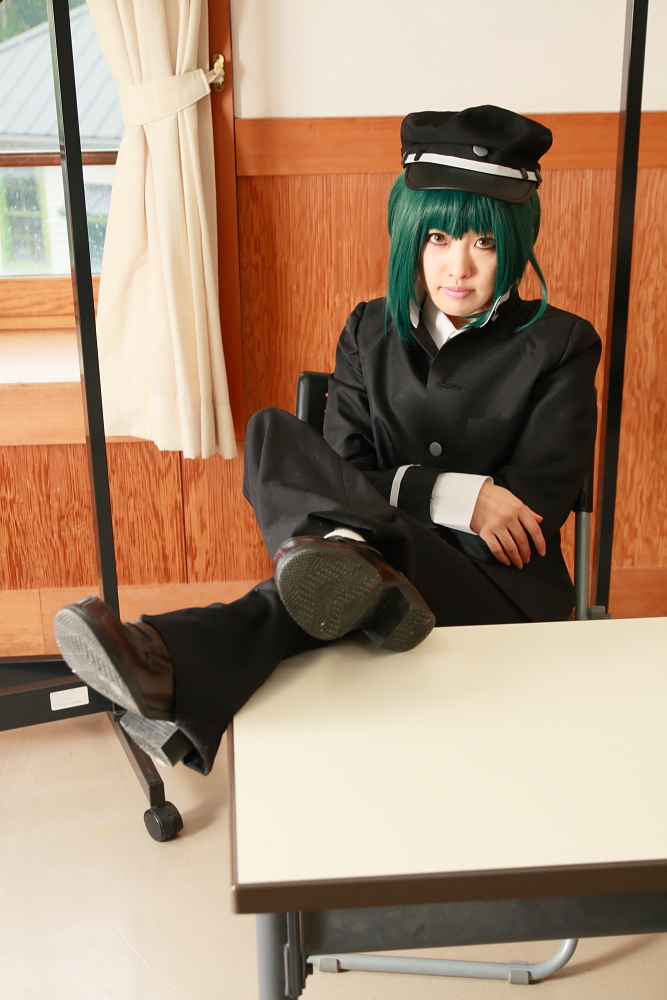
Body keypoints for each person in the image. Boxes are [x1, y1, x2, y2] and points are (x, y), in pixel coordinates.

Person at [54, 105, 601, 777]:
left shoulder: (561, 344)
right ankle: (352, 568)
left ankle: (171, 666)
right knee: (270, 431)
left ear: (515, 242)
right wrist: (459, 495)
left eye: (483, 243)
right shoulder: (368, 330)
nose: (456, 266)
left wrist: (383, 510)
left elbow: (524, 519)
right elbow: (340, 469)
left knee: (325, 574)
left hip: (494, 591)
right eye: (437, 238)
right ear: (411, 237)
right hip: (381, 569)